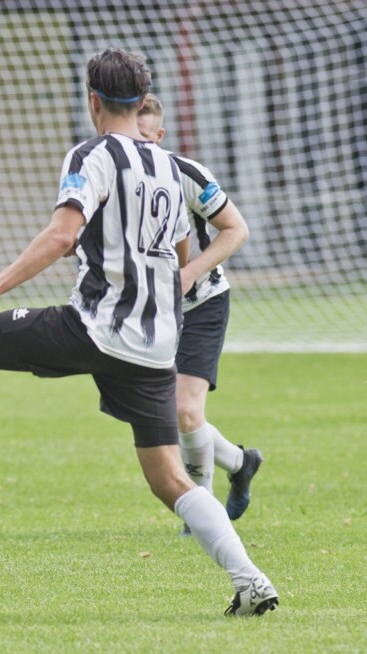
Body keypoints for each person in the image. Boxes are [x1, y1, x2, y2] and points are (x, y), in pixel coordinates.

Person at [0, 49, 277, 616]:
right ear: (141, 103)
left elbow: (63, 236)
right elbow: (179, 248)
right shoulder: (168, 165)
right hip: (155, 339)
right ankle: (251, 581)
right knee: (167, 479)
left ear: (92, 100)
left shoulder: (92, 154)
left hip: (95, 325)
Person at [136, 94, 262, 535]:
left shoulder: (186, 174)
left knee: (185, 411)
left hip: (201, 302)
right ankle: (241, 461)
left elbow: (237, 229)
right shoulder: (109, 175)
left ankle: (200, 510)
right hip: (147, 314)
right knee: (166, 417)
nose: (137, 150)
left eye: (145, 140)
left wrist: (189, 272)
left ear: (160, 137)